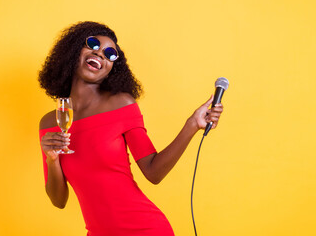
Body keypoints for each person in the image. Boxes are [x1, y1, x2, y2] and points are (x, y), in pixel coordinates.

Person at [38, 21, 223, 236]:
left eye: (110, 54)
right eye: (92, 44)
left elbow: (153, 172)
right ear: (73, 51)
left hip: (144, 229)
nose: (100, 54)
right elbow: (58, 200)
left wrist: (192, 124)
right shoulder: (50, 123)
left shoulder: (122, 105)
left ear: (111, 70)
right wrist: (52, 160)